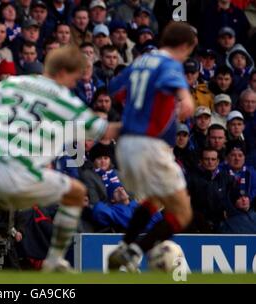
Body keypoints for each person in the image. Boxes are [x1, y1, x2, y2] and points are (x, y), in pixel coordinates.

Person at [0, 45, 121, 271]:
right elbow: (102, 130)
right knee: (76, 193)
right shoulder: (64, 99)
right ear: (63, 72)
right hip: (21, 171)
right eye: (74, 78)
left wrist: (9, 118)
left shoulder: (18, 82)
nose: (74, 84)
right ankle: (54, 260)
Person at [106, 22, 196, 272]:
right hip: (150, 145)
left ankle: (126, 245)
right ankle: (134, 251)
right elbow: (174, 81)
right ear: (185, 46)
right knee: (182, 213)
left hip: (126, 145)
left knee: (156, 199)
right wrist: (185, 97)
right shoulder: (169, 63)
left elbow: (116, 88)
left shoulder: (140, 61)